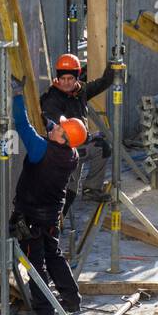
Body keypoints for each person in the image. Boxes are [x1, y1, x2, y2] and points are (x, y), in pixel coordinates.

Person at [10, 87, 86, 315]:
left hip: (31, 217)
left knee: (35, 264)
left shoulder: (40, 150)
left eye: (59, 128)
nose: (55, 127)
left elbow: (23, 125)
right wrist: (48, 121)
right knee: (53, 255)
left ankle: (44, 311)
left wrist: (17, 96)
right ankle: (72, 300)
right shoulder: (71, 154)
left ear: (63, 138)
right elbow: (52, 131)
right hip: (51, 217)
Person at [40, 53, 115, 212]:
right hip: (66, 150)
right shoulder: (51, 98)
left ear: (76, 78)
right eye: (63, 79)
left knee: (103, 148)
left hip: (82, 144)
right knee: (67, 195)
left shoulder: (81, 91)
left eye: (70, 79)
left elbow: (104, 82)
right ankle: (55, 226)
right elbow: (54, 130)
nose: (66, 83)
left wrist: (113, 64)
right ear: (58, 78)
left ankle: (91, 189)